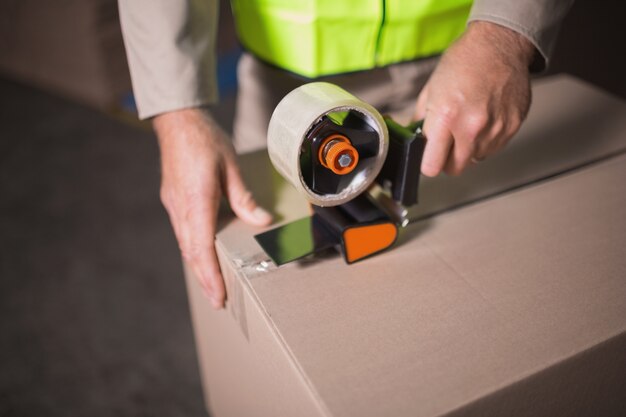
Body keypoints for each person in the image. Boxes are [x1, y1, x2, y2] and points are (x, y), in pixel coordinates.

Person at [118, 0, 574, 309]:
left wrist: (505, 33)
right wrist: (174, 108)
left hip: (461, 62)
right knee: (274, 285)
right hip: (286, 89)